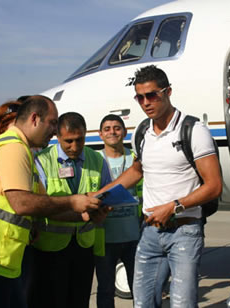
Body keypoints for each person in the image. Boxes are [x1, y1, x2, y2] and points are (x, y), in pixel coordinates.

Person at [0, 95, 101, 308]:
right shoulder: (13, 146)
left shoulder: (24, 152)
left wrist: (85, 214)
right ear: (34, 119)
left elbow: (43, 207)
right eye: (52, 123)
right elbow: (22, 203)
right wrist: (72, 201)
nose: (54, 130)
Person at [93, 65, 222, 307]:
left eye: (151, 95)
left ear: (168, 92)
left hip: (184, 231)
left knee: (182, 304)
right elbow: (136, 171)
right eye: (139, 97)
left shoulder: (194, 130)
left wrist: (174, 207)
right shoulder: (141, 132)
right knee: (142, 303)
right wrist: (100, 195)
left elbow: (214, 186)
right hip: (150, 232)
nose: (145, 102)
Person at [29, 112, 112, 308]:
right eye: (68, 141)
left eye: (80, 140)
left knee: (79, 300)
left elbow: (108, 193)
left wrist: (104, 210)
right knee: (50, 301)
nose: (75, 147)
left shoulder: (97, 160)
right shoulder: (41, 160)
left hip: (83, 247)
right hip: (49, 248)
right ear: (57, 136)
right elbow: (39, 205)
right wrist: (80, 214)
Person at [94, 114, 142, 308]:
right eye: (107, 129)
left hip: (134, 235)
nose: (112, 132)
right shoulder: (95, 160)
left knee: (139, 288)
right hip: (105, 238)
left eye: (116, 128)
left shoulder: (135, 158)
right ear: (100, 134)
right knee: (105, 290)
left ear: (125, 132)